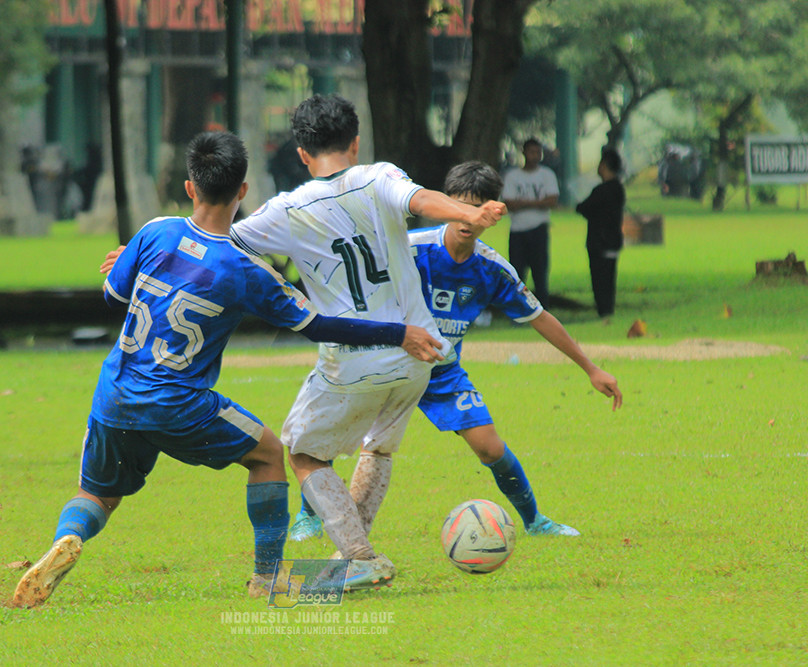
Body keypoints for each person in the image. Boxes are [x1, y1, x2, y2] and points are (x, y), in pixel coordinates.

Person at [11, 131, 445, 608]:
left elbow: (113, 294)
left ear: (190, 187)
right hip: (177, 402)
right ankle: (268, 578)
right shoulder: (245, 270)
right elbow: (317, 325)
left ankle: (66, 539)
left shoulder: (156, 231)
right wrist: (397, 333)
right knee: (268, 455)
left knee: (97, 494)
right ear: (242, 191)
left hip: (115, 392)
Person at [229, 94, 506, 590]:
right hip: (419, 353)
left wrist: (151, 249)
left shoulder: (287, 209)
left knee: (305, 456)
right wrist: (470, 216)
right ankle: (350, 555)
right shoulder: (379, 176)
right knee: (376, 450)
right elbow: (423, 201)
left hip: (352, 360)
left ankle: (358, 555)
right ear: (355, 143)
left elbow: (220, 245)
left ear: (301, 153)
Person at [289, 161, 623, 542]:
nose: (468, 217)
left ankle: (534, 521)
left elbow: (540, 318)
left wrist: (591, 368)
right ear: (446, 203)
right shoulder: (411, 249)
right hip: (386, 359)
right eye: (460, 204)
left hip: (442, 371)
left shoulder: (491, 269)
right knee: (338, 429)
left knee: (489, 447)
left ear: (494, 211)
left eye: (478, 207)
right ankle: (307, 515)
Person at [501, 138, 559, 310]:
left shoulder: (547, 175)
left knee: (540, 272)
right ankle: (518, 310)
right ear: (524, 153)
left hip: (539, 229)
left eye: (538, 152)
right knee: (517, 273)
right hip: (518, 231)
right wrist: (537, 203)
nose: (535, 156)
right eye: (532, 152)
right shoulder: (513, 176)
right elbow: (509, 203)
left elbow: (552, 200)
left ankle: (542, 310)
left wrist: (523, 204)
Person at [576, 149, 626, 321]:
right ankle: (608, 308)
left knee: (599, 277)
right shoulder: (619, 189)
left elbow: (584, 208)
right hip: (613, 239)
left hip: (599, 240)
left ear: (604, 166)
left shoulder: (601, 190)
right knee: (610, 277)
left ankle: (603, 310)